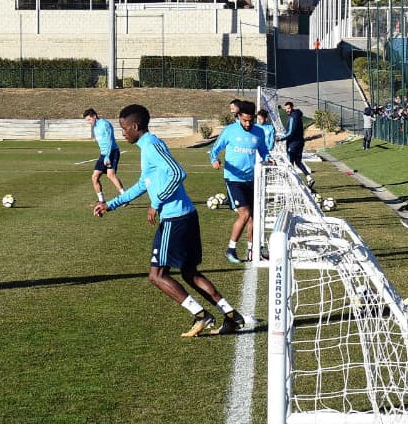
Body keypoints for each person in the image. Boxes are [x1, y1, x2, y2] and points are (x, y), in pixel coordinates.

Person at [93, 104, 249, 337]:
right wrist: (110, 204)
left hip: (175, 218)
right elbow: (142, 184)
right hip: (184, 215)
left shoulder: (152, 145)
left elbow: (178, 173)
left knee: (157, 275)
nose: (122, 133)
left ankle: (201, 315)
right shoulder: (148, 147)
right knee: (189, 273)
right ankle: (231, 316)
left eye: (124, 128)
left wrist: (157, 203)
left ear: (135, 127)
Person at [209, 100, 269, 264]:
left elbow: (263, 150)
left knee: (254, 217)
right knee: (245, 214)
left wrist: (269, 159)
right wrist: (214, 160)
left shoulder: (259, 132)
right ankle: (230, 249)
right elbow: (214, 149)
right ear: (238, 117)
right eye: (244, 120)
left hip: (252, 179)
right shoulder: (229, 131)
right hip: (233, 179)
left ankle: (252, 251)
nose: (248, 124)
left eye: (251, 120)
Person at [84, 108, 125, 202]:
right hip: (103, 154)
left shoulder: (105, 124)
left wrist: (107, 156)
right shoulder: (95, 126)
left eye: (89, 119)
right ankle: (101, 200)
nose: (89, 122)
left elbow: (110, 140)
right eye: (87, 120)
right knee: (94, 177)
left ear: (94, 116)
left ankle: (125, 197)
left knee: (111, 175)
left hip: (112, 152)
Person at [282, 101, 314, 188]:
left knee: (290, 163)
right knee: (298, 162)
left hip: (293, 143)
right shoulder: (298, 115)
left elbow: (291, 132)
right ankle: (309, 178)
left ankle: (291, 183)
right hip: (300, 142)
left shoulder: (293, 117)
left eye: (288, 108)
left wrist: (281, 138)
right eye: (286, 109)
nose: (287, 110)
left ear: (292, 107)